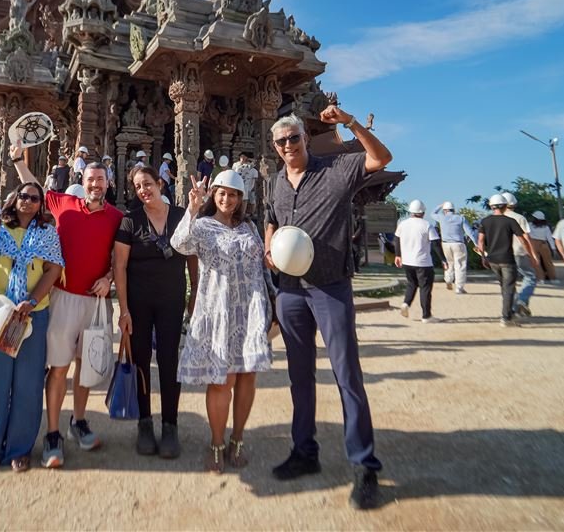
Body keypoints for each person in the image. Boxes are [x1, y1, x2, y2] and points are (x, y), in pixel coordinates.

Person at [263, 108, 392, 511]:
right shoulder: (275, 182)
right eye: (281, 141)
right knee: (299, 376)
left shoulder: (337, 170)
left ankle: (364, 465)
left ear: (305, 138)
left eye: (294, 138)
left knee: (347, 374)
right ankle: (304, 451)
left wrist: (350, 123)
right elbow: (270, 219)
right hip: (290, 291)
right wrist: (269, 248)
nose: (288, 146)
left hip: (330, 286)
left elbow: (381, 159)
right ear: (275, 146)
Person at [8, 140, 123, 469]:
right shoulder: (64, 204)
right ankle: (53, 432)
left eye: (101, 180)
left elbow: (121, 257)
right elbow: (32, 187)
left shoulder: (117, 217)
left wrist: (110, 278)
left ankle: (79, 420)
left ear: (108, 183)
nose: (95, 184)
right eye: (90, 179)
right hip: (63, 297)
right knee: (59, 367)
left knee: (86, 366)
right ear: (82, 181)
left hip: (97, 301)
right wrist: (17, 160)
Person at [0, 180, 64, 473]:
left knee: (28, 383)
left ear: (40, 205)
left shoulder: (47, 233)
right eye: (23, 196)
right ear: (14, 199)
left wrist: (32, 300)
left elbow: (53, 269)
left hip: (32, 315)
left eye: (34, 198)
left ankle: (20, 448)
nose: (27, 201)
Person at [174, 169, 272, 473]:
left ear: (240, 198)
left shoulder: (249, 227)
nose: (227, 199)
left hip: (250, 309)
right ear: (213, 195)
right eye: (221, 193)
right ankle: (216, 443)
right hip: (219, 311)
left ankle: (237, 439)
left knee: (247, 377)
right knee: (222, 380)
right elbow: (180, 244)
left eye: (232, 195)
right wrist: (192, 208)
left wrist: (272, 306)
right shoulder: (202, 226)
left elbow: (263, 267)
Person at [114, 166, 197, 459]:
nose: (143, 190)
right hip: (138, 303)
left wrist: (194, 294)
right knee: (140, 360)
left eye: (147, 184)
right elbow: (119, 266)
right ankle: (145, 423)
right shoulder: (130, 221)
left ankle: (170, 425)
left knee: (169, 360)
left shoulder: (180, 216)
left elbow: (192, 257)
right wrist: (124, 309)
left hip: (171, 301)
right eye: (138, 187)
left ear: (160, 183)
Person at [476, 194, 537, 327]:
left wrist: (483, 257)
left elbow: (480, 241)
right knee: (509, 288)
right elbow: (523, 240)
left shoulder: (485, 221)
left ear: (491, 206)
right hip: (507, 259)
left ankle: (510, 312)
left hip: (493, 260)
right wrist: (531, 255)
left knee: (504, 287)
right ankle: (506, 317)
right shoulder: (510, 221)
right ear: (505, 206)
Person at [394, 200, 446, 323]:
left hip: (407, 261)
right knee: (425, 288)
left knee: (412, 284)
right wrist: (443, 259)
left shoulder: (402, 224)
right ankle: (426, 315)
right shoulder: (427, 225)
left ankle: (406, 303)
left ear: (410, 212)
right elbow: (435, 244)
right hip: (423, 262)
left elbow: (396, 239)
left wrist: (398, 255)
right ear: (423, 212)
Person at [501, 192, 540, 318]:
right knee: (530, 277)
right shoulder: (520, 218)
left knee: (509, 282)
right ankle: (522, 300)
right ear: (514, 204)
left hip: (503, 254)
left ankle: (516, 307)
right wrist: (533, 254)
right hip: (519, 252)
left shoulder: (497, 218)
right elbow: (526, 237)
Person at [434, 202, 476, 294]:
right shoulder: (461, 218)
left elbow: (432, 213)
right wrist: (476, 243)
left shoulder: (441, 217)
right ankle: (459, 288)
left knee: (449, 263)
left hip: (445, 244)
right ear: (454, 210)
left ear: (444, 210)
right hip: (458, 244)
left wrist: (440, 205)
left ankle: (448, 279)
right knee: (460, 265)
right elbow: (469, 232)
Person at [527, 211, 557, 283]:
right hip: (543, 244)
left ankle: (540, 278)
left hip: (533, 243)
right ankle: (552, 278)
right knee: (548, 262)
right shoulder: (546, 227)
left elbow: (527, 235)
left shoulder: (529, 225)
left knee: (536, 262)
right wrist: (553, 248)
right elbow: (549, 238)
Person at [232, 153, 259, 218]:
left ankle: (243, 213)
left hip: (245, 185)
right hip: (237, 184)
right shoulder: (236, 165)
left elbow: (254, 162)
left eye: (244, 157)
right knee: (236, 198)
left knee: (244, 199)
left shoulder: (249, 165)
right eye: (241, 156)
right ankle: (235, 211)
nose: (243, 158)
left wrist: (249, 159)